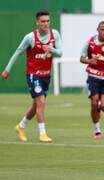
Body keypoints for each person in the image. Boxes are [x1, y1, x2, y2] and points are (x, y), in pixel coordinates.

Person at [1, 10, 62, 142]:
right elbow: (17, 53)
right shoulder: (30, 37)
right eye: (43, 21)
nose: (46, 24)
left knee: (36, 106)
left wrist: (52, 49)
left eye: (48, 21)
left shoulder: (55, 34)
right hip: (33, 74)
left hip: (46, 76)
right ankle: (42, 134)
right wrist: (7, 70)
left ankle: (21, 126)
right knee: (41, 101)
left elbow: (60, 52)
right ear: (37, 22)